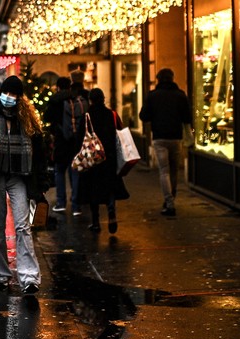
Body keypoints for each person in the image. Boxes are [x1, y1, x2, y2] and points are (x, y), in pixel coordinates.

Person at [0, 75, 51, 293]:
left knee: (23, 226)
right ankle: (1, 275)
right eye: (7, 93)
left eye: (14, 95)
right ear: (0, 94)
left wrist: (42, 181)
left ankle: (29, 277)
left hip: (20, 176)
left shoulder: (28, 120)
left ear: (20, 98)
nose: (9, 98)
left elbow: (40, 153)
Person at [75, 88, 130, 233]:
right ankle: (111, 212)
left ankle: (96, 222)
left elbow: (79, 137)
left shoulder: (87, 116)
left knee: (93, 188)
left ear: (90, 100)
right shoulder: (112, 115)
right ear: (103, 99)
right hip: (110, 158)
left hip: (93, 158)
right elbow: (120, 132)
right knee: (110, 186)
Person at [139, 68, 192, 216]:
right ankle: (171, 198)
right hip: (176, 137)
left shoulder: (152, 96)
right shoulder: (180, 95)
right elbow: (187, 117)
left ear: (158, 79)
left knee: (164, 171)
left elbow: (143, 116)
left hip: (159, 138)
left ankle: (169, 202)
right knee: (174, 170)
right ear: (172, 78)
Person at [44, 76, 77, 212]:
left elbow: (47, 117)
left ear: (58, 87)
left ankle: (61, 202)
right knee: (74, 171)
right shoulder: (75, 99)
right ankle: (76, 204)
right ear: (69, 86)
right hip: (74, 141)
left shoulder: (54, 100)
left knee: (59, 171)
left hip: (60, 140)